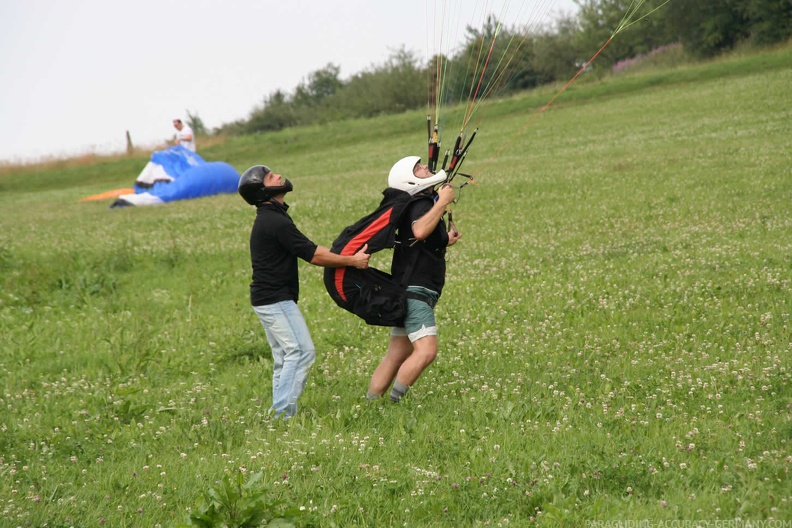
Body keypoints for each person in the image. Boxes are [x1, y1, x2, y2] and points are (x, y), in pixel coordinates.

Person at [239, 164, 370, 419]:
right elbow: (312, 253)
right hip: (274, 300)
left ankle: (278, 415)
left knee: (285, 356)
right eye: (269, 176)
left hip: (269, 299)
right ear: (263, 191)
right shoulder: (274, 220)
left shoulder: (273, 216)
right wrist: (352, 261)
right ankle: (282, 414)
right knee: (301, 352)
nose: (277, 175)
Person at [366, 156, 462, 403]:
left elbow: (419, 237)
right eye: (417, 168)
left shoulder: (417, 205)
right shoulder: (421, 204)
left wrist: (444, 239)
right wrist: (441, 202)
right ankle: (394, 403)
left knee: (396, 354)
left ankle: (371, 404)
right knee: (427, 351)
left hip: (406, 289)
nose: (424, 167)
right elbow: (419, 230)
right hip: (416, 291)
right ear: (410, 180)